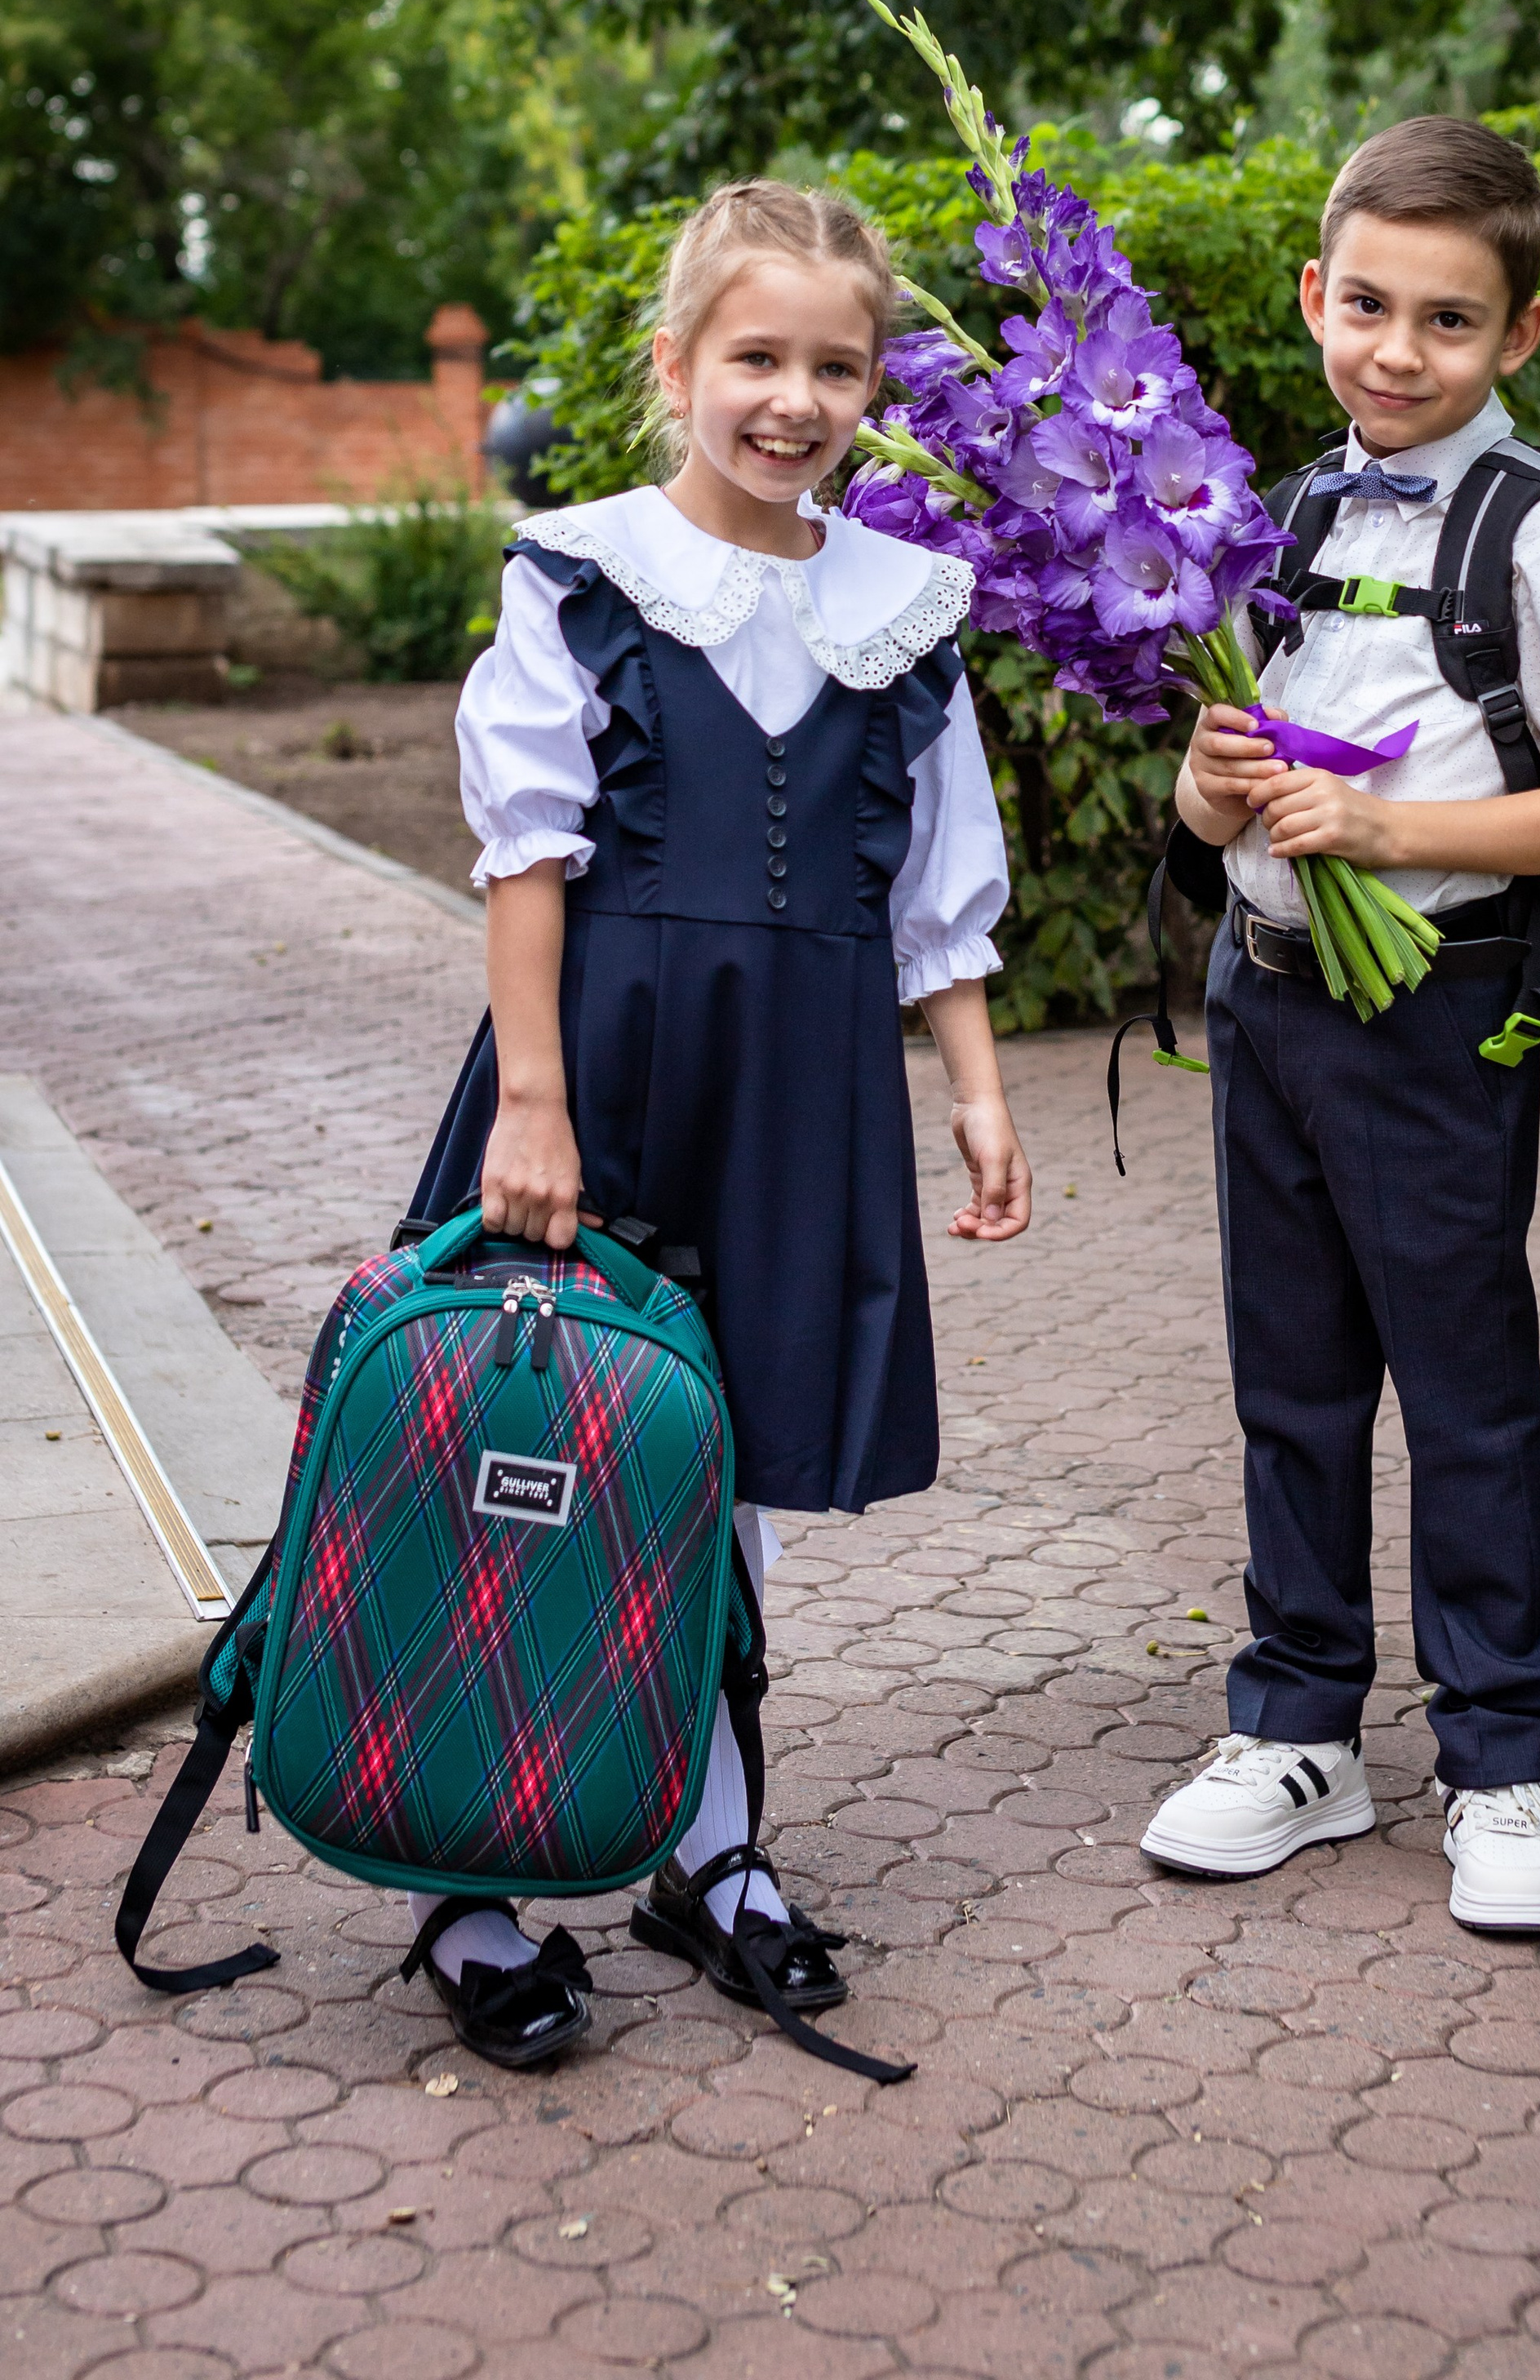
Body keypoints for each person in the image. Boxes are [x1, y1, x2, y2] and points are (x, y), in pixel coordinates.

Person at [402, 180, 1031, 2061]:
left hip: (806, 1092)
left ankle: (711, 1847)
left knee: (727, 1463)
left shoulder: (903, 610)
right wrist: (533, 1103)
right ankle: (469, 1877)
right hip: (593, 1065)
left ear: (868, 391)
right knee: (532, 1445)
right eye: (755, 356)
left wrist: (984, 1100)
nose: (793, 396)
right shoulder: (578, 574)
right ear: (677, 365)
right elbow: (527, 848)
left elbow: (941, 889)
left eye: (834, 365)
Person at [1139, 118, 1540, 1935]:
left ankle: (1500, 1761)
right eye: (1363, 304)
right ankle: (1297, 1729)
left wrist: (1385, 831)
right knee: (1287, 1384)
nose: (1394, 348)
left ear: (1515, 335)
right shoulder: (1276, 514)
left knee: (1459, 1399)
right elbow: (1227, 805)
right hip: (1267, 1002)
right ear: (1312, 295)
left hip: (1436, 1015)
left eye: (1445, 321)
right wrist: (1218, 797)